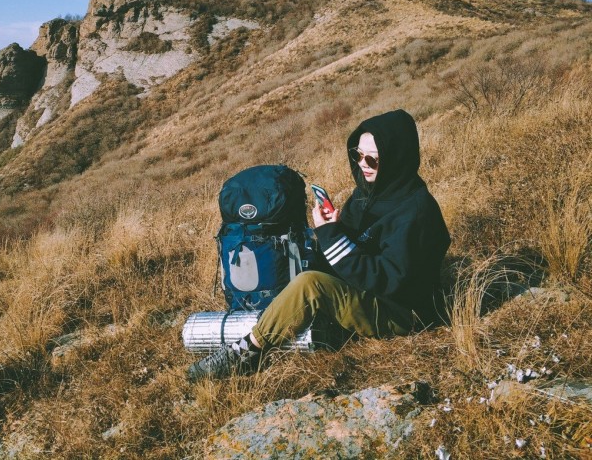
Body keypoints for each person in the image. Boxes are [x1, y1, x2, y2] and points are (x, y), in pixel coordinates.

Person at [187, 109, 451, 381]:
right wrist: (333, 228)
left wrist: (330, 236)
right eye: (357, 154)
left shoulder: (417, 211)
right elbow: (352, 247)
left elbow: (386, 279)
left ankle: (246, 353)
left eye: (372, 158)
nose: (363, 163)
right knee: (302, 266)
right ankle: (273, 325)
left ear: (396, 158)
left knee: (309, 284)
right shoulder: (368, 193)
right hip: (365, 290)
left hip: (398, 312)